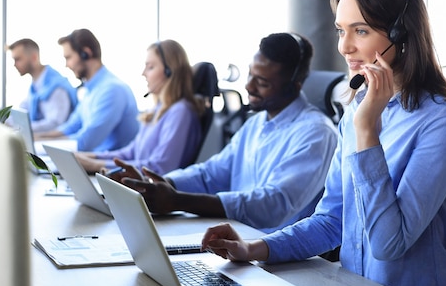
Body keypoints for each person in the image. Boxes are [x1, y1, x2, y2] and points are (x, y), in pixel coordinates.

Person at [200, 0, 446, 286]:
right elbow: (331, 220)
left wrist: (366, 132)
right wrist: (254, 247)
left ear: (400, 34)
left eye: (361, 31)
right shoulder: (359, 110)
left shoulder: (443, 120)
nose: (345, 47)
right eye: (341, 31)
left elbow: (388, 245)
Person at [117, 32, 338, 234]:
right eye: (250, 75)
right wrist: (158, 184)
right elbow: (211, 173)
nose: (249, 87)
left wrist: (179, 201)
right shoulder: (257, 123)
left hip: (277, 256)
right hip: (237, 239)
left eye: (261, 82)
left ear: (295, 85)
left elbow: (273, 205)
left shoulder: (316, 133)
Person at [73, 40, 204, 174]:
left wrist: (95, 165)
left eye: (150, 67)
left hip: (151, 191)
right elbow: (130, 153)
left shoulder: (180, 111)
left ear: (170, 71)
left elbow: (161, 166)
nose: (143, 73)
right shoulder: (157, 110)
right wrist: (90, 157)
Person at [35, 28, 139, 152]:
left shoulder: (112, 90)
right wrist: (36, 138)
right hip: (90, 162)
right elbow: (70, 127)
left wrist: (39, 146)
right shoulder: (90, 90)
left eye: (68, 58)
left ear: (86, 53)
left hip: (109, 167)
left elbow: (85, 142)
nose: (66, 65)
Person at [7, 38, 77, 132]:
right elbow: (24, 109)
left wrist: (20, 127)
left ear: (34, 57)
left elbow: (54, 124)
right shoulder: (35, 87)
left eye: (18, 59)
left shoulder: (56, 87)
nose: (14, 65)